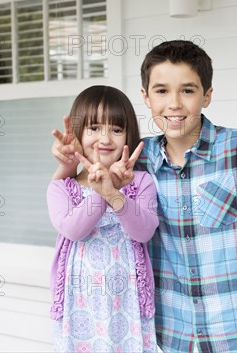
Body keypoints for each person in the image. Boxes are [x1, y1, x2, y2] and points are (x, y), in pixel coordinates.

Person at [52, 41, 237, 353]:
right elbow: (80, 192)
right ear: (145, 97)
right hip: (173, 342)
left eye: (187, 90)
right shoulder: (136, 162)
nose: (174, 104)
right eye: (161, 91)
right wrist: (66, 164)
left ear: (206, 95)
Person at [47, 85, 159, 353]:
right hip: (80, 305)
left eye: (117, 130)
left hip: (128, 304)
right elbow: (74, 229)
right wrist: (102, 192)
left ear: (128, 135)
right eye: (94, 128)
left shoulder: (141, 182)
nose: (105, 138)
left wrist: (114, 192)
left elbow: (144, 232)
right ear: (77, 134)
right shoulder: (62, 186)